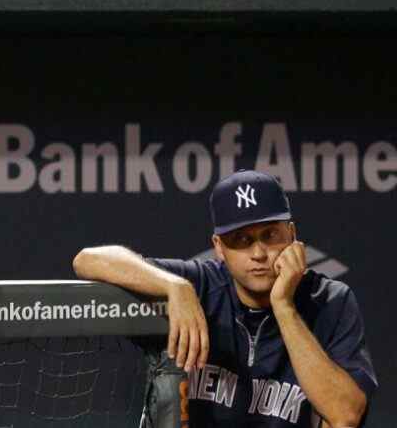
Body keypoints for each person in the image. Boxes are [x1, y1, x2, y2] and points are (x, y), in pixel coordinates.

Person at [73, 170, 377, 428]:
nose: (258, 253)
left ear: (292, 234)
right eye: (241, 241)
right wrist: (174, 287)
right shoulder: (201, 285)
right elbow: (88, 260)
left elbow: (345, 415)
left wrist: (284, 306)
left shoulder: (328, 301)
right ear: (219, 247)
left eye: (270, 235)